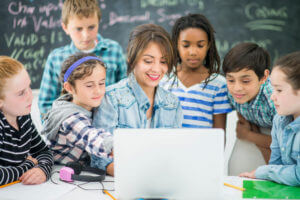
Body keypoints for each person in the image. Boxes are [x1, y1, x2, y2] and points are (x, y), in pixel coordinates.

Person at [91, 24, 183, 175]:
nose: (156, 69)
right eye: (148, 61)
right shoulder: (112, 98)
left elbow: (175, 154)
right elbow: (99, 158)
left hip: (161, 181)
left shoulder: (173, 103)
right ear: (132, 59)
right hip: (121, 182)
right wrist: (133, 173)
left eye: (163, 61)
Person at [38, 0, 127, 118]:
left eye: (91, 27)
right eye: (78, 29)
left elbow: (124, 92)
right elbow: (46, 104)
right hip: (72, 129)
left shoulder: (113, 50)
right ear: (65, 27)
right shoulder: (56, 58)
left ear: (98, 22)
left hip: (110, 126)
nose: (86, 35)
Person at [41, 53, 113, 173]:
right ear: (69, 88)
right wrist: (120, 145)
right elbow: (92, 138)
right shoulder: (70, 119)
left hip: (81, 171)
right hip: (59, 175)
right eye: (89, 85)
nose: (98, 90)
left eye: (102, 83)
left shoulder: (90, 103)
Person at [161, 14, 232, 130]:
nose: (193, 52)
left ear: (208, 45)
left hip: (203, 148)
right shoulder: (164, 79)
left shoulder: (218, 84)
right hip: (169, 147)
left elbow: (219, 134)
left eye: (200, 45)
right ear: (176, 45)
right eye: (186, 45)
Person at [240, 51, 300, 186]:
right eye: (272, 90)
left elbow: (298, 175)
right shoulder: (280, 120)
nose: (273, 97)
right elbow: (275, 164)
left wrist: (262, 172)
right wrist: (268, 172)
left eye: (279, 90)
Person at [222, 43, 276, 175]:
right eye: (231, 80)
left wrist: (248, 135)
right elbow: (241, 116)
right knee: (236, 171)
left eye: (245, 81)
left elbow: (283, 143)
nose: (237, 88)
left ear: (263, 77)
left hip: (275, 134)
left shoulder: (274, 99)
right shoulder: (230, 91)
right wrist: (248, 129)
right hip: (253, 126)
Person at [0, 56, 53, 186]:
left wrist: (42, 169)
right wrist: (29, 164)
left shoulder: (23, 116)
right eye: (21, 93)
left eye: (29, 87)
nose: (30, 96)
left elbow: (43, 151)